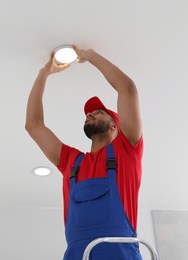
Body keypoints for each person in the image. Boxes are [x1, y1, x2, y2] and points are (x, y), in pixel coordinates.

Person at [25, 47, 143, 259]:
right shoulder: (71, 161)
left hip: (121, 253)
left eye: (98, 112)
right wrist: (44, 73)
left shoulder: (127, 150)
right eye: (89, 113)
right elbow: (33, 125)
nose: (90, 113)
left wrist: (88, 54)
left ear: (115, 126)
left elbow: (127, 88)